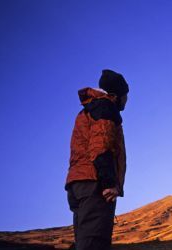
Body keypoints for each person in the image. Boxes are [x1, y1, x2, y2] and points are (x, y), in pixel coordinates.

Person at [64, 69, 129, 250]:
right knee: (94, 244)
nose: (127, 100)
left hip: (78, 184)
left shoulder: (88, 110)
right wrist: (109, 182)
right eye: (126, 95)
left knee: (85, 243)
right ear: (116, 95)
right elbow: (101, 145)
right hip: (95, 184)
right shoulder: (105, 107)